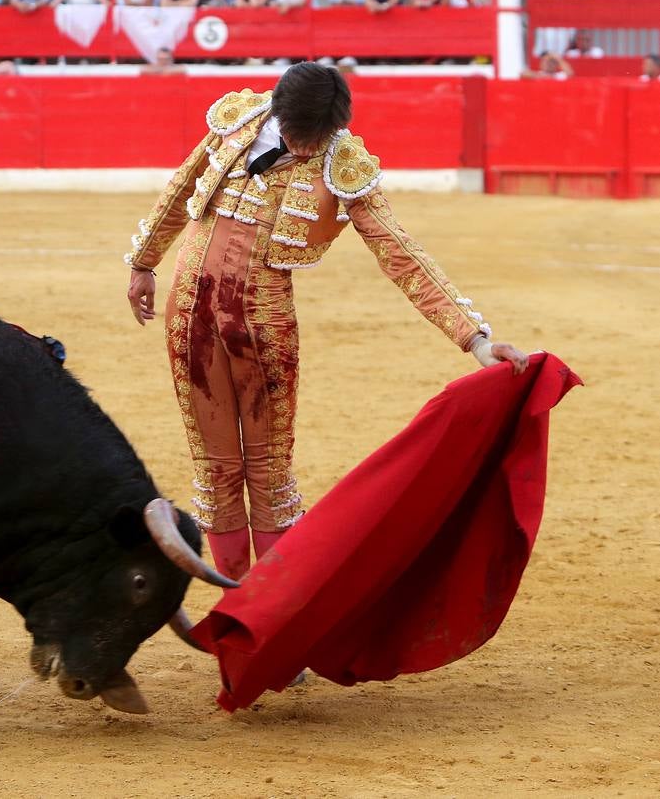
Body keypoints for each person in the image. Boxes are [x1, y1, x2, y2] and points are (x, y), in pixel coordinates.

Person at [122, 64, 528, 579]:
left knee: (268, 474)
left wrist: (476, 340)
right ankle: (237, 609)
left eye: (318, 137)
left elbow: (398, 252)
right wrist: (142, 262)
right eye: (300, 135)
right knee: (216, 468)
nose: (308, 147)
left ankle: (265, 618)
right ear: (279, 111)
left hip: (263, 328)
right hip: (188, 318)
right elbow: (182, 188)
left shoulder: (342, 163)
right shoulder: (238, 120)